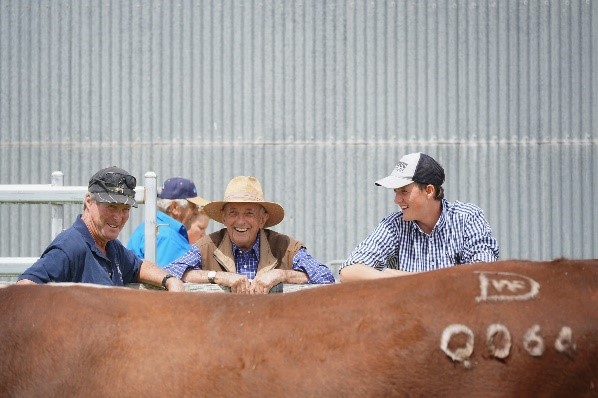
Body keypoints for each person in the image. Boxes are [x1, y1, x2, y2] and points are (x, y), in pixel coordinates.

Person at [17, 166, 185, 292]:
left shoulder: (111, 246)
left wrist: (170, 280)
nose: (118, 217)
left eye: (125, 209)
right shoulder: (70, 246)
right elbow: (24, 289)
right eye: (111, 207)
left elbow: (138, 267)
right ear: (89, 202)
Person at [340, 152, 499, 282]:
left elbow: (482, 275)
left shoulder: (468, 218)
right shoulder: (394, 225)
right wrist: (436, 280)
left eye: (404, 191)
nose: (397, 200)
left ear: (429, 190)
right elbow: (349, 272)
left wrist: (395, 276)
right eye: (396, 192)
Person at [165, 176, 335, 294]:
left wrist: (282, 275)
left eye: (249, 213)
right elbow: (171, 272)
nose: (240, 221)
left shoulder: (285, 247)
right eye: (233, 213)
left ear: (263, 219)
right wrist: (218, 277)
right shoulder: (207, 245)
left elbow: (326, 277)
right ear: (223, 218)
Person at [127, 177, 209, 266]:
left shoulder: (151, 227)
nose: (196, 211)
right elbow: (169, 276)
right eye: (193, 206)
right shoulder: (168, 237)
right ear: (174, 208)